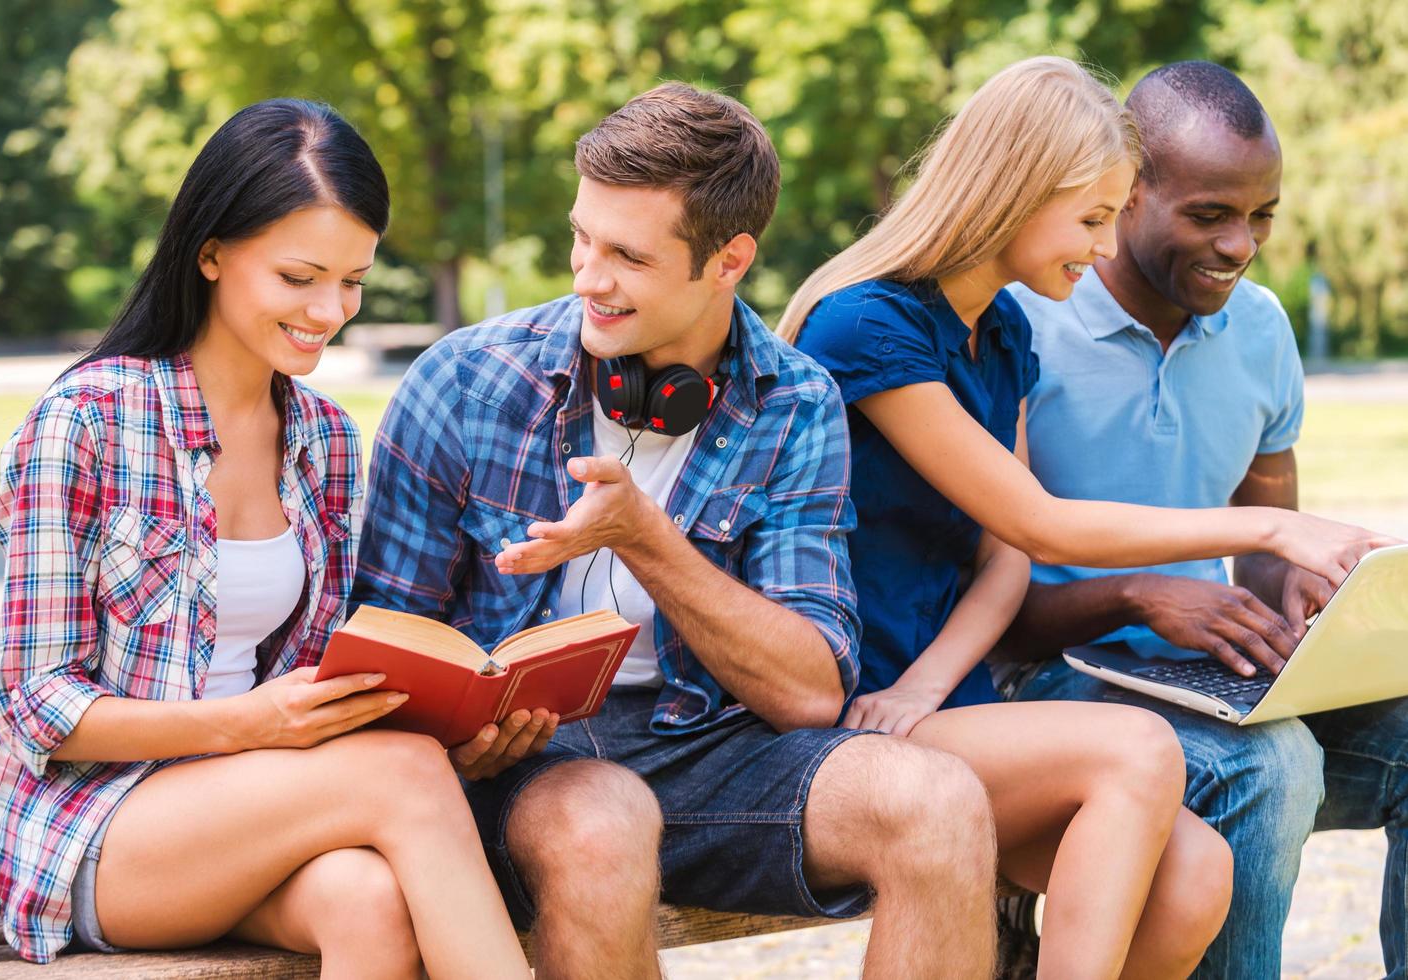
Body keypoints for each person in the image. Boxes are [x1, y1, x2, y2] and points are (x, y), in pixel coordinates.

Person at [353, 82, 1001, 980]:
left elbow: (811, 690)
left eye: (626, 255)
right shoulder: (466, 380)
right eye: (581, 237)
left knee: (936, 799)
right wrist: (456, 739)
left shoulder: (797, 402)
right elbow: (382, 635)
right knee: (600, 820)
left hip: (709, 750)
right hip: (520, 772)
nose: (587, 276)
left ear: (728, 261)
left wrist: (646, 539)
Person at [777, 56, 1394, 977]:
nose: (1103, 250)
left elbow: (1001, 556)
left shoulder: (1005, 334)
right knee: (1198, 759)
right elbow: (1040, 526)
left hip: (937, 690)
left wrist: (926, 686)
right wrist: (1261, 531)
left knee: (1192, 878)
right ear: (1018, 195)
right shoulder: (866, 326)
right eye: (1094, 219)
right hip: (865, 696)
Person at [0, 99, 530, 978]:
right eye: (300, 277)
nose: (330, 310)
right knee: (401, 775)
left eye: (353, 280)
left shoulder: (325, 439)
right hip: (85, 828)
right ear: (211, 252)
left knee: (369, 903)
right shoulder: (88, 420)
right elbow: (38, 708)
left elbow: (314, 670)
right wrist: (246, 725)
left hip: (243, 811)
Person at [995, 61, 1408, 979]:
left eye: (1261, 214)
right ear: (1126, 191)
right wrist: (1142, 599)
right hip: (1038, 686)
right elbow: (987, 606)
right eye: (1209, 214)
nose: (1242, 244)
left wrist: (1303, 593)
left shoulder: (1260, 330)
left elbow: (1265, 538)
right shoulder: (1024, 318)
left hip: (1199, 682)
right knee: (1268, 765)